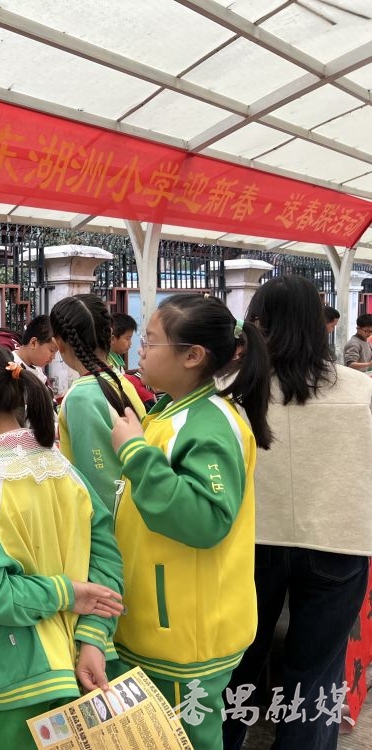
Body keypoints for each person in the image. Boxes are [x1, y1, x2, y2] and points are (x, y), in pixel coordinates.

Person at [0, 340, 125, 749]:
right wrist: (93, 637)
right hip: (78, 663)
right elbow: (108, 560)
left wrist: (67, 593)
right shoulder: (65, 469)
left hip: (4, 682)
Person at [110, 294, 272, 750]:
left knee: (186, 739)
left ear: (193, 355)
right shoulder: (173, 410)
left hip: (187, 633)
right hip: (160, 623)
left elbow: (205, 519)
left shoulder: (208, 423)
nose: (139, 349)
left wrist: (134, 451)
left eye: (151, 341)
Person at [223, 276, 372, 750]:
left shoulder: (227, 390)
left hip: (249, 543)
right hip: (338, 540)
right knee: (316, 673)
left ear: (257, 323)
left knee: (237, 664)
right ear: (319, 324)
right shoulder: (361, 390)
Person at [52, 294, 146, 511]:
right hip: (133, 510)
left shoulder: (81, 397)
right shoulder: (122, 380)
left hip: (110, 521)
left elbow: (97, 482)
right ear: (109, 335)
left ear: (59, 343)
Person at [15, 314, 58, 386]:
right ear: (33, 343)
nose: (53, 357)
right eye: (52, 350)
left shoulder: (37, 368)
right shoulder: (11, 367)